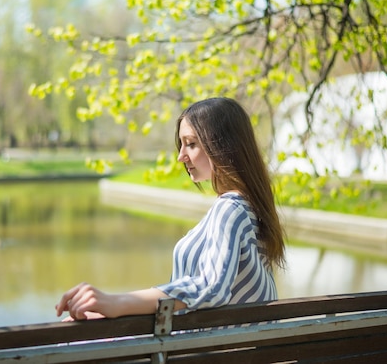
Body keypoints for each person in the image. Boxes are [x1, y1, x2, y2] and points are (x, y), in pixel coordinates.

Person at [55, 97, 286, 321]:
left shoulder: (231, 209)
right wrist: (111, 313)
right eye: (182, 144)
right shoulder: (252, 208)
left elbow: (211, 287)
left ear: (222, 146)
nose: (181, 157)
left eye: (191, 144)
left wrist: (117, 303)